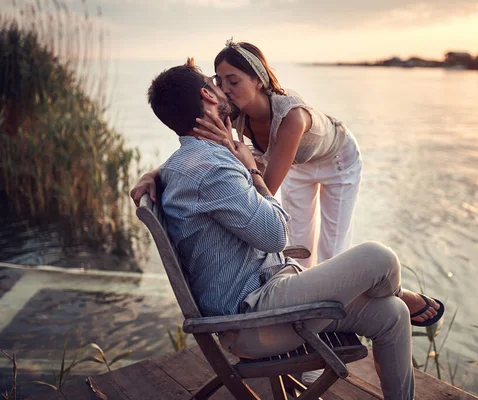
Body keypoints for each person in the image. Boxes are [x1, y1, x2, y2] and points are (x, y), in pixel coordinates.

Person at [132, 59, 445, 400]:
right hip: (255, 321)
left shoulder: (188, 163)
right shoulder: (213, 168)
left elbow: (192, 168)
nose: (225, 90)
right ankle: (397, 291)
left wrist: (156, 173)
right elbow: (276, 236)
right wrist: (252, 171)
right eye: (217, 83)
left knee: (391, 314)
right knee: (379, 257)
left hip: (270, 298)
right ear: (208, 95)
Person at [133, 40, 362, 268]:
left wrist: (243, 164)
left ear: (258, 80)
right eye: (219, 82)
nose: (225, 90)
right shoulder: (233, 113)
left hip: (337, 160)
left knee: (333, 248)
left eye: (233, 81)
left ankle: (343, 299)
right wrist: (154, 174)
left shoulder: (292, 117)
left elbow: (266, 196)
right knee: (300, 243)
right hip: (295, 164)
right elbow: (192, 147)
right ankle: (312, 298)